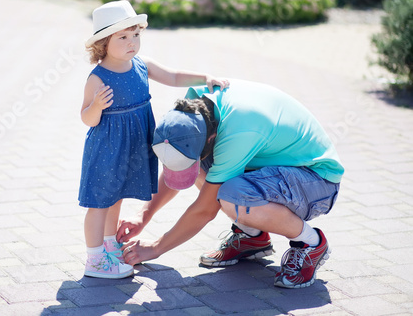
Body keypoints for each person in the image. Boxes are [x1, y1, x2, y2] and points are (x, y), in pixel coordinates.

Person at [117, 78, 344, 288]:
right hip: (275, 166)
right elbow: (180, 168)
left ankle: (311, 243)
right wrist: (143, 215)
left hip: (316, 181)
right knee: (208, 169)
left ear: (210, 139)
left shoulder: (238, 131)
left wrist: (156, 248)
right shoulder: (194, 109)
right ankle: (252, 236)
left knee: (232, 195)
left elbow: (204, 210)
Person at [79, 0, 229, 279]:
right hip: (108, 149)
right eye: (122, 37)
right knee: (99, 202)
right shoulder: (97, 78)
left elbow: (172, 75)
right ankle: (95, 259)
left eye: (135, 35)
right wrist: (96, 106)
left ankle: (110, 245)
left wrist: (204, 77)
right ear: (102, 43)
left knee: (117, 199)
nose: (131, 42)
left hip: (134, 145)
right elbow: (86, 118)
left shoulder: (141, 65)